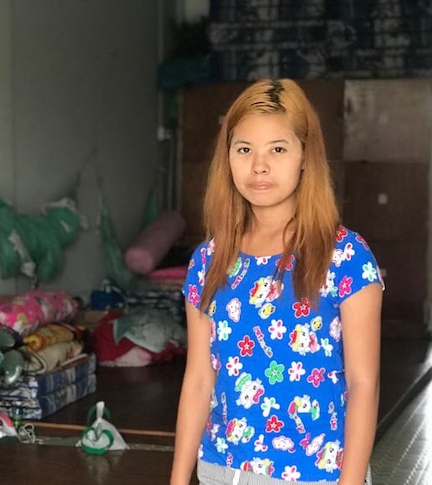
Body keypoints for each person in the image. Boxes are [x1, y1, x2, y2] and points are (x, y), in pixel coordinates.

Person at [170, 78, 383, 485]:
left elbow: (364, 384)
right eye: (244, 149)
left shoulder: (345, 257)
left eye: (278, 149)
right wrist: (179, 480)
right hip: (220, 469)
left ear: (306, 155)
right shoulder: (209, 261)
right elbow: (199, 380)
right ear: (228, 156)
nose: (259, 166)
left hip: (316, 474)